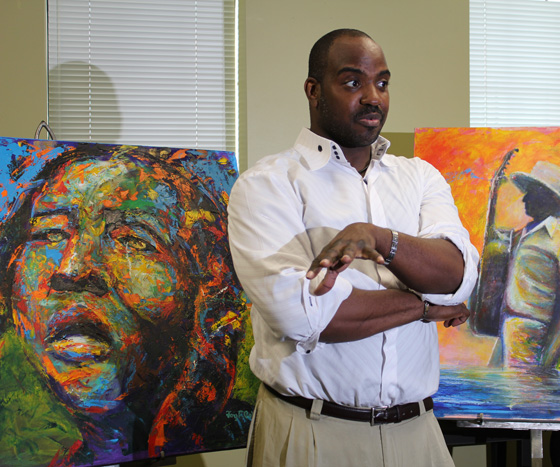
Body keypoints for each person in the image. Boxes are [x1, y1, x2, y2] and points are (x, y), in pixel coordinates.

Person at [227, 29, 479, 466]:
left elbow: (456, 278)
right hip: (311, 433)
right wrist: (423, 307)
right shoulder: (267, 185)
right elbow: (302, 314)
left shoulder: (420, 177)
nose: (372, 97)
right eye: (352, 82)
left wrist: (379, 238)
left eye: (381, 83)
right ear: (313, 90)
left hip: (419, 434)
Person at [0, 146, 252, 466]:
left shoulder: (238, 423)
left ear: (205, 288)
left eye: (133, 240)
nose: (73, 269)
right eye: (50, 233)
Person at [489, 161, 560, 370]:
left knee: (527, 398)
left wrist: (548, 361)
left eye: (533, 193)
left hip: (535, 339)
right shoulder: (521, 236)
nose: (525, 198)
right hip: (507, 331)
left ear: (549, 199)